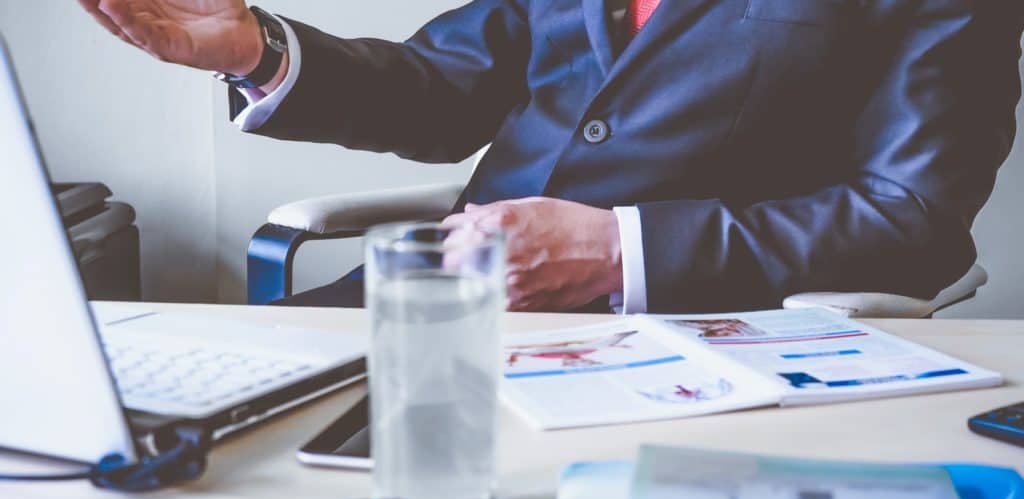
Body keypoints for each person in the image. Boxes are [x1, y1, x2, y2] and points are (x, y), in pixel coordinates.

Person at [78, 0, 1024, 313]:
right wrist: (258, 50)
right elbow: (445, 92)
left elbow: (911, 215)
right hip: (444, 301)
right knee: (178, 422)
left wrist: (620, 251)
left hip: (694, 337)